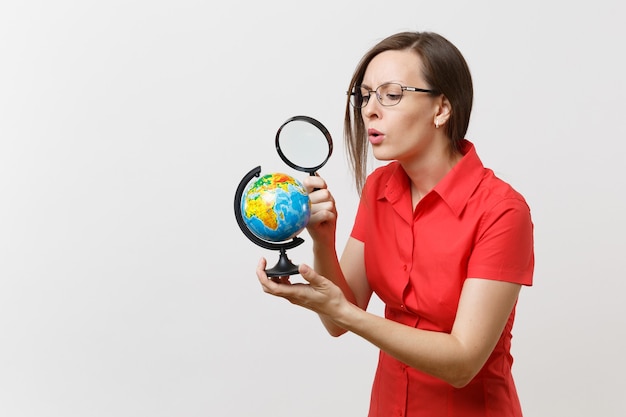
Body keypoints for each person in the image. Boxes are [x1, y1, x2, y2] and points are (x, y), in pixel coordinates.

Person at [256, 31, 534, 417]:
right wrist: (322, 240)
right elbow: (339, 317)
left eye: (391, 94)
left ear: (441, 109)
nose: (370, 110)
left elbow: (462, 362)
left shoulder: (502, 211)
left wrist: (347, 313)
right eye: (365, 96)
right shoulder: (380, 188)